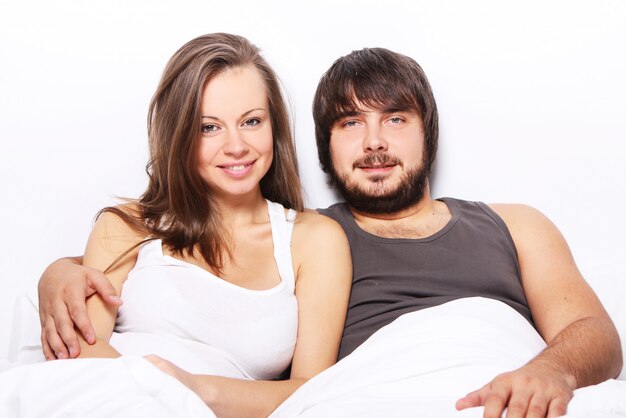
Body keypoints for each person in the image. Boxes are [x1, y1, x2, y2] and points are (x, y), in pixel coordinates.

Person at [38, 47, 622, 418]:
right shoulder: (316, 238)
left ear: (428, 134)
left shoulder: (515, 224)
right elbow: (168, 261)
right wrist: (59, 270)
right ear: (322, 147)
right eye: (351, 123)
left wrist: (549, 370)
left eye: (395, 119)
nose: (374, 142)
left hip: (507, 387)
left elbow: (594, 333)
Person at [7, 32, 352, 418]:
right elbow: (80, 348)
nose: (236, 146)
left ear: (275, 125)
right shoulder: (125, 227)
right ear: (180, 134)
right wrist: (160, 392)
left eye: (251, 121)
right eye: (209, 127)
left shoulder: (314, 240)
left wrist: (191, 389)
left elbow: (311, 392)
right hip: (96, 400)